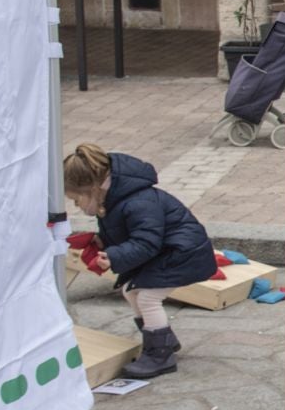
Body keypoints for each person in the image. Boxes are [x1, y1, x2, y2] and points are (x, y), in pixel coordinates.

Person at [63, 144, 217, 380]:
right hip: (167, 252)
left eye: (77, 200)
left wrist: (114, 256)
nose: (78, 207)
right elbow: (127, 232)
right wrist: (102, 242)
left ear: (93, 188)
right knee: (129, 290)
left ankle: (160, 355)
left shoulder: (137, 202)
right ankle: (161, 338)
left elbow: (146, 242)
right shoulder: (114, 198)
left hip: (183, 254)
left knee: (148, 297)